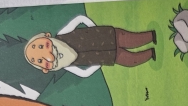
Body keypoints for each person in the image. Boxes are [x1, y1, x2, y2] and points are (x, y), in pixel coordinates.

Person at [25, 15, 156, 77]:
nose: (47, 55)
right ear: (45, 69)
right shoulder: (66, 65)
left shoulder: (61, 35)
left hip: (108, 36)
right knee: (130, 60)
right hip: (109, 57)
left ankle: (151, 36)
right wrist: (98, 63)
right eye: (39, 61)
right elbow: (84, 73)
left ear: (47, 36)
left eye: (41, 46)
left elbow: (79, 19)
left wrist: (94, 30)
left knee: (129, 39)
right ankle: (151, 53)